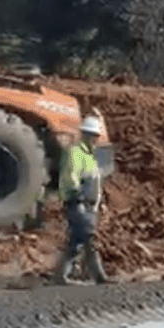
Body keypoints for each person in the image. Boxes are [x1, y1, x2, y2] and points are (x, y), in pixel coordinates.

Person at [49, 113, 109, 284]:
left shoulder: (91, 156)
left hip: (90, 206)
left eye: (95, 136)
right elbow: (70, 178)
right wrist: (77, 199)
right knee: (83, 239)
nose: (94, 139)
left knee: (84, 240)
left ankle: (96, 277)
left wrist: (98, 203)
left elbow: (94, 182)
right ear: (84, 135)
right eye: (91, 135)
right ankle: (65, 276)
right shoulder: (75, 152)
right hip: (78, 203)